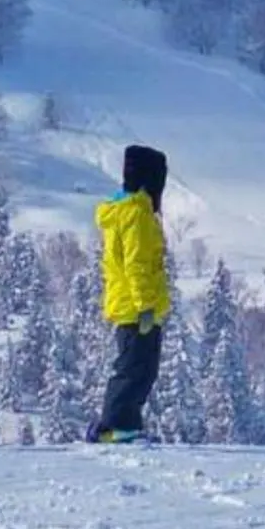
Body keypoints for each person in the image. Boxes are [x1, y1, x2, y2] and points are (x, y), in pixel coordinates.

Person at [87, 144, 171, 443]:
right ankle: (115, 429)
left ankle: (124, 428)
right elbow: (137, 264)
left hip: (131, 304)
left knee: (139, 368)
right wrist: (146, 305)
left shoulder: (128, 211)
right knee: (135, 369)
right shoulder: (136, 214)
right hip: (137, 308)